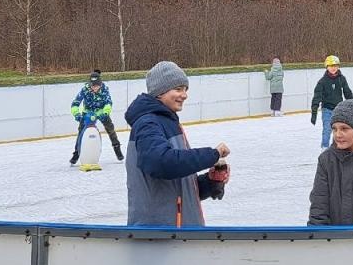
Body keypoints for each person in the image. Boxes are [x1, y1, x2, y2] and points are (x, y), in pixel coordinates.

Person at [124, 61, 231, 228]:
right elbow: (161, 163)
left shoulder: (166, 122)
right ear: (160, 92)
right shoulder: (148, 124)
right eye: (178, 89)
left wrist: (209, 182)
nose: (184, 95)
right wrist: (212, 155)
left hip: (180, 231)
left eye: (185, 89)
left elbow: (177, 187)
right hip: (160, 234)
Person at [69, 71, 123, 164]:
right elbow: (75, 103)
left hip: (101, 112)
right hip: (88, 113)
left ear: (100, 84)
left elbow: (108, 103)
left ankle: (117, 148)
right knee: (81, 131)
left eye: (97, 86)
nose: (95, 88)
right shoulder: (85, 90)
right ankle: (77, 153)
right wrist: (77, 114)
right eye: (93, 86)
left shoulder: (104, 89)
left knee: (110, 129)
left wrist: (105, 112)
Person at [311, 55, 353, 149]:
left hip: (338, 109)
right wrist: (314, 113)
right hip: (327, 109)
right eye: (331, 66)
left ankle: (337, 148)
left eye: (335, 66)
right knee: (327, 129)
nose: (333, 68)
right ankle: (325, 147)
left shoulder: (341, 78)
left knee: (339, 130)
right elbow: (317, 97)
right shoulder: (322, 81)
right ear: (327, 67)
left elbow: (347, 92)